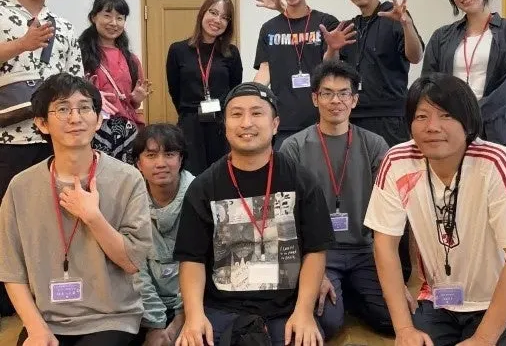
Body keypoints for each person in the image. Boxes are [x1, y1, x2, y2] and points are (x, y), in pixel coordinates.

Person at [365, 73, 506, 346]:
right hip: (440, 299)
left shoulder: (494, 162)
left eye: (446, 115)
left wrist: (483, 338)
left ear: (468, 122)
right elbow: (384, 245)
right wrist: (403, 329)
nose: (432, 127)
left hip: (502, 299)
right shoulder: (398, 161)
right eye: (421, 116)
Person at [173, 82, 335, 346]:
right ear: (225, 125)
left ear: (275, 124)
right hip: (222, 308)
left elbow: (315, 251)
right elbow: (192, 258)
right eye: (236, 114)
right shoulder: (203, 187)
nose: (246, 123)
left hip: (286, 307)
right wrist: (194, 316)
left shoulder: (301, 180)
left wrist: (304, 312)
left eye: (257, 113)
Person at [0, 73, 152, 345]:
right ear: (42, 123)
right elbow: (11, 270)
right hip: (47, 320)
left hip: (111, 318)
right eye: (62, 109)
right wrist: (36, 328)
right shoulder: (21, 187)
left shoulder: (127, 179)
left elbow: (132, 262)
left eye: (84, 108)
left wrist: (94, 218)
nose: (75, 118)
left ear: (98, 119)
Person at [279, 60, 395, 338]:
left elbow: (390, 210)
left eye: (344, 93)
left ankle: (352, 293)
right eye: (327, 93)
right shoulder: (293, 147)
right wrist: (313, 270)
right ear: (314, 98)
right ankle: (342, 294)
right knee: (328, 324)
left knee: (393, 319)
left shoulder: (374, 145)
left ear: (354, 100)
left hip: (365, 250)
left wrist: (396, 278)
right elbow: (285, 217)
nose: (336, 101)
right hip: (319, 252)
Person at [0, 0, 83, 318]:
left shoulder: (63, 26)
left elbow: (75, 80)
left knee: (50, 219)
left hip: (54, 141)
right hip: (7, 139)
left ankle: (46, 294)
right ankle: (7, 298)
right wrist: (21, 44)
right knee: (6, 219)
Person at [421, 0, 506, 149]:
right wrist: (448, 117)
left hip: (494, 132)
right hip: (449, 130)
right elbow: (429, 82)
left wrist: (470, 116)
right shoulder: (441, 36)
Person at [323, 0, 424, 147]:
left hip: (390, 116)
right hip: (354, 115)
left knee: (389, 165)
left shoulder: (394, 17)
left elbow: (416, 56)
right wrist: (332, 48)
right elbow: (330, 69)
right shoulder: (350, 27)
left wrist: (406, 24)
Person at [252, 0, 340, 148]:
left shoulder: (325, 23)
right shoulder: (269, 28)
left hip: (321, 121)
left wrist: (333, 48)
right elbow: (265, 69)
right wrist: (249, 95)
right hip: (283, 124)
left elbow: (331, 69)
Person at [130, 123, 194, 346]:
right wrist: (155, 325)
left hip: (195, 304)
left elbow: (200, 263)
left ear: (181, 159)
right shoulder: (129, 199)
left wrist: (181, 318)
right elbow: (134, 268)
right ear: (138, 163)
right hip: (142, 306)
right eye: (151, 155)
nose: (160, 163)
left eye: (169, 154)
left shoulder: (200, 194)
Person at [166, 0, 242, 176]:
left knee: (222, 176)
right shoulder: (178, 50)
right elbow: (174, 90)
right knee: (191, 178)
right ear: (202, 13)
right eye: (213, 12)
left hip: (221, 125)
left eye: (224, 17)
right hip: (190, 124)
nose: (217, 20)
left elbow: (234, 90)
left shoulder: (231, 53)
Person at [79, 0, 150, 164]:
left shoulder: (131, 60)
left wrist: (136, 100)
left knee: (126, 175)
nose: (113, 23)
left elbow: (131, 103)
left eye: (120, 18)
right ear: (93, 17)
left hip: (126, 128)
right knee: (96, 173)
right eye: (107, 15)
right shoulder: (79, 55)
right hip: (92, 127)